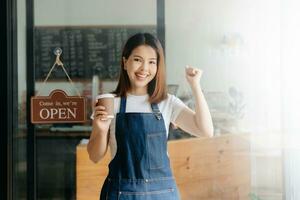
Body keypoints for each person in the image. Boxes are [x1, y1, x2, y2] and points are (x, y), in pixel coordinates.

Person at [87, 32, 214, 200]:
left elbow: (205, 131)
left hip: (162, 194)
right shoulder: (110, 102)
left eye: (152, 62)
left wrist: (195, 86)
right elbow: (95, 157)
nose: (144, 69)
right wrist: (100, 129)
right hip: (122, 193)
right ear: (125, 62)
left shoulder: (167, 102)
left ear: (157, 67)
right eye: (138, 60)